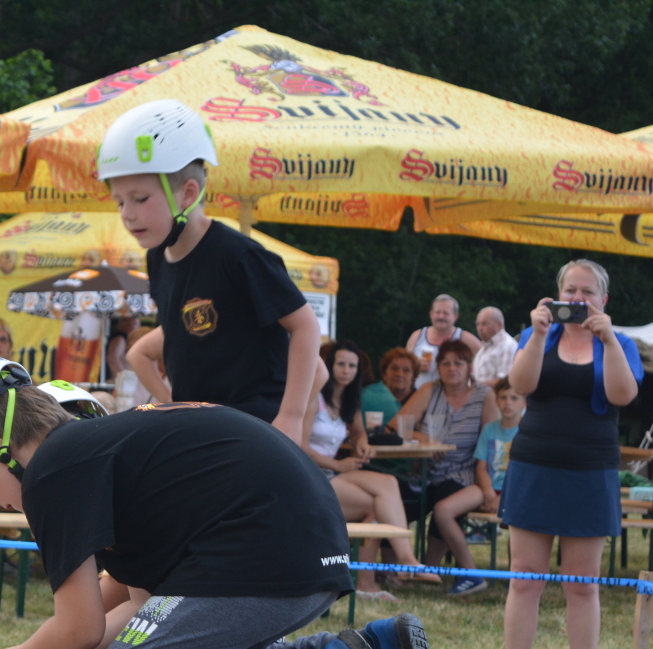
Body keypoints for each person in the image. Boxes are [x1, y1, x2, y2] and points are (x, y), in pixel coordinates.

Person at [0, 353, 439, 649]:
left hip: (269, 553)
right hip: (298, 547)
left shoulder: (51, 472)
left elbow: (80, 630)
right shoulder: (92, 451)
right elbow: (143, 614)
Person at [109, 100, 321, 447]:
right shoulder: (156, 258)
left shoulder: (238, 255)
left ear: (188, 193)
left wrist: (292, 416)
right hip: (200, 431)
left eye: (140, 198)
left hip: (253, 432)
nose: (127, 214)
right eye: (119, 201)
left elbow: (306, 326)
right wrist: (171, 404)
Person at [493, 259, 641, 649]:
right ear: (557, 295)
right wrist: (537, 335)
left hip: (591, 469)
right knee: (524, 578)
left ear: (603, 300)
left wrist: (607, 338)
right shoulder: (536, 334)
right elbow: (520, 384)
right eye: (570, 291)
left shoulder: (621, 343)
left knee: (583, 585)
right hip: (535, 463)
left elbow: (623, 395)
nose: (578, 299)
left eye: (587, 292)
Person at [303, 340, 440, 600]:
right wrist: (337, 464)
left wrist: (362, 444)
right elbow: (298, 445)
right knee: (380, 499)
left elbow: (358, 432)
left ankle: (378, 577)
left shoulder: (348, 401)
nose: (346, 370)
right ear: (329, 366)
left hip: (334, 474)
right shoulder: (315, 397)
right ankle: (400, 566)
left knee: (387, 485)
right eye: (341, 364)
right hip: (310, 476)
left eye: (352, 366)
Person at [393, 339, 499, 575]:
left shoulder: (484, 395)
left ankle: (431, 568)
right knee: (397, 498)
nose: (452, 369)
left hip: (464, 470)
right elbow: (397, 426)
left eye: (458, 363)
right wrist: (423, 437)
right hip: (424, 470)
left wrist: (490, 486)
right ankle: (389, 569)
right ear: (438, 367)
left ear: (469, 368)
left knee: (447, 495)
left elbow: (492, 444)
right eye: (446, 363)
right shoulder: (429, 390)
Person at [430, 378, 524, 596]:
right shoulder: (490, 429)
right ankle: (471, 573)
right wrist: (489, 493)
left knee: (518, 521)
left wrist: (503, 498)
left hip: (516, 491)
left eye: (514, 398)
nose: (508, 403)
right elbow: (481, 467)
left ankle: (517, 578)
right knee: (442, 510)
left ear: (525, 403)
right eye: (503, 398)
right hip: (487, 487)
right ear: (496, 401)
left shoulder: (526, 432)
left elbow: (524, 473)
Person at [405, 294, 481, 389]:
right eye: (437, 312)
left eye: (446, 313)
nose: (441, 316)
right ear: (431, 314)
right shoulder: (417, 336)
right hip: (418, 394)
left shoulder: (465, 338)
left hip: (453, 396)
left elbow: (485, 361)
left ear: (455, 316)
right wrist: (415, 366)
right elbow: (404, 367)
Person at [359, 348, 418, 430]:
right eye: (394, 369)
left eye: (406, 370)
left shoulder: (419, 400)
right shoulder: (372, 398)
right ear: (384, 374)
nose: (400, 374)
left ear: (413, 377)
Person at [472, 306, 516, 385]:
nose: (480, 328)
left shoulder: (507, 346)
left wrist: (475, 388)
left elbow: (504, 382)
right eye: (478, 324)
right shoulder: (485, 348)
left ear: (499, 325)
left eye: (484, 324)